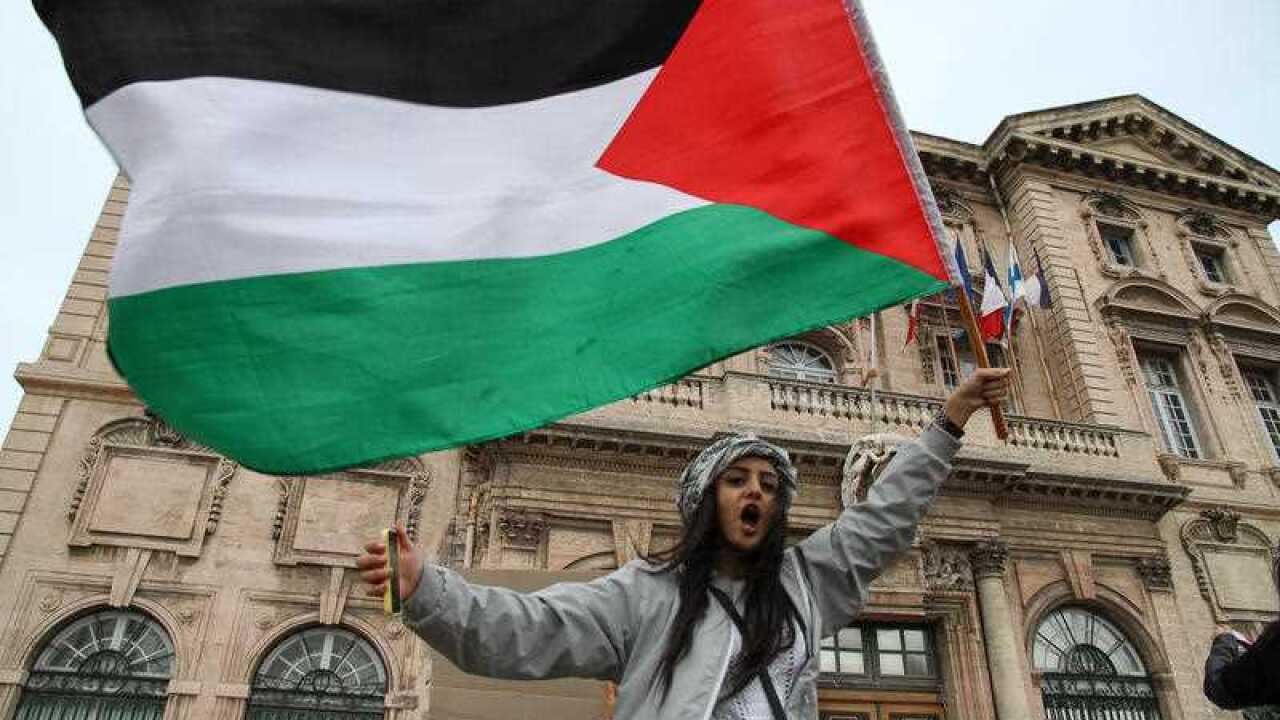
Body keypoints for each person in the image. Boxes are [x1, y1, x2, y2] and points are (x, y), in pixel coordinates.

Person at [358, 368, 1010, 719]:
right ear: (706, 501)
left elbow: (885, 517)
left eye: (769, 484)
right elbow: (524, 630)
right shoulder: (642, 597)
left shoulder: (805, 583)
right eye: (737, 480)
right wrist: (426, 591)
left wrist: (947, 423)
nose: (755, 493)